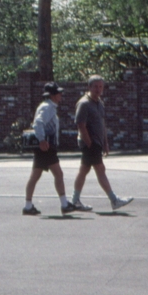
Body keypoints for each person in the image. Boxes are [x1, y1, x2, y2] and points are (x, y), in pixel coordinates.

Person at [72, 75, 133, 211]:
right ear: (89, 87)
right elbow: (80, 125)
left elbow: (102, 124)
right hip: (90, 143)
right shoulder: (84, 104)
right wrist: (89, 143)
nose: (98, 89)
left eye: (100, 87)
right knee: (100, 170)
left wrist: (105, 143)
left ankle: (75, 201)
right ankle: (114, 200)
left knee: (84, 170)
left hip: (97, 143)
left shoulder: (100, 103)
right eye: (95, 87)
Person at [23, 83, 78, 216]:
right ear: (52, 95)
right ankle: (64, 204)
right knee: (57, 174)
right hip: (46, 147)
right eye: (58, 93)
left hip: (46, 147)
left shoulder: (49, 107)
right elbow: (38, 122)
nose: (61, 95)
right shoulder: (47, 107)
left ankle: (28, 206)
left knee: (36, 176)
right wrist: (42, 139)